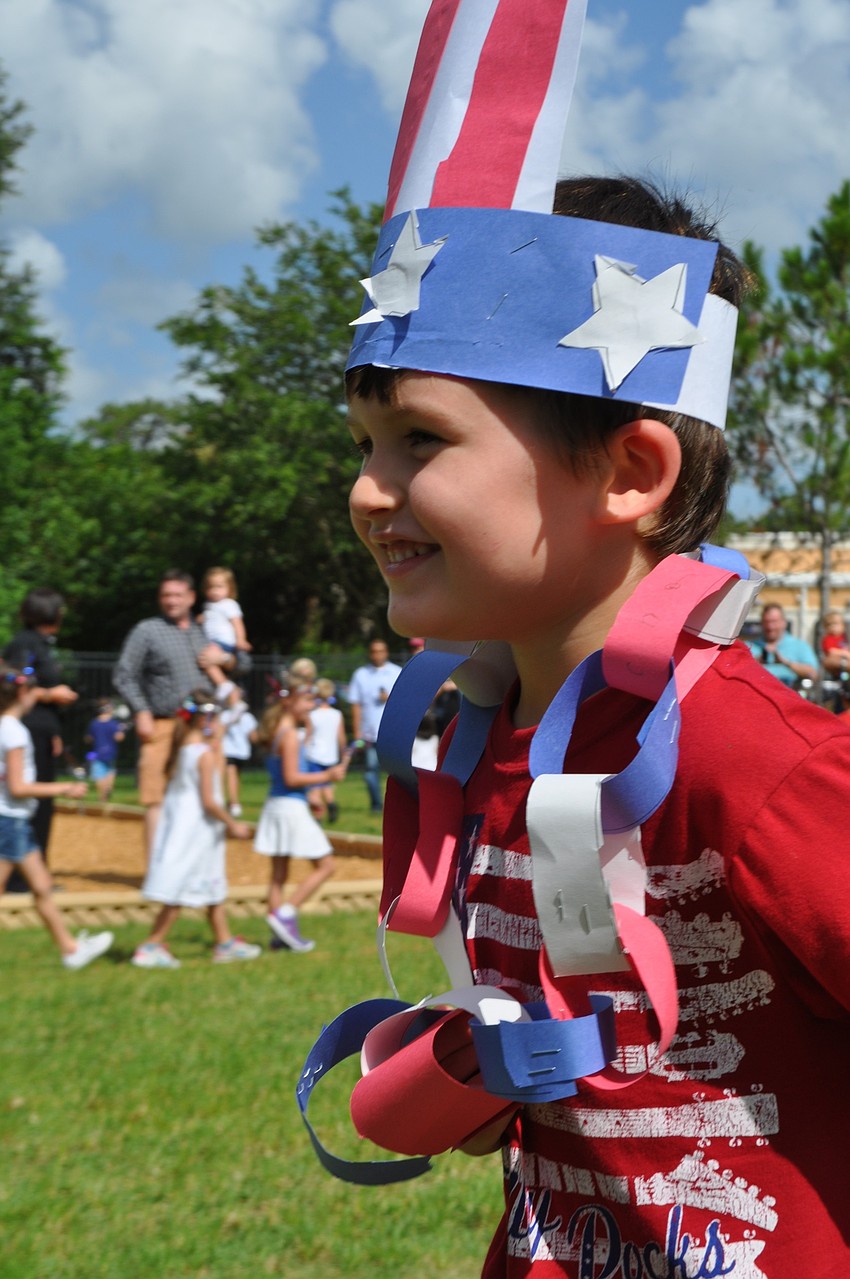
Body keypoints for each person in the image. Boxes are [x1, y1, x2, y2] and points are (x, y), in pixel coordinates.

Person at [318, 4, 850, 1268]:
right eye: (362, 447)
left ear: (630, 469)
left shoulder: (756, 765)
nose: (365, 491)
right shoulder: (486, 745)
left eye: (421, 442)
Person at [113, 569, 246, 861]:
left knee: (207, 794)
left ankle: (199, 865)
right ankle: (157, 870)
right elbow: (124, 675)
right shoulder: (147, 630)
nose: (171, 601)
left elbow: (244, 661)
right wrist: (142, 711)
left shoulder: (207, 629)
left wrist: (224, 658)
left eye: (177, 595)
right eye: (165, 595)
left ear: (191, 597)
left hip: (205, 728)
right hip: (161, 724)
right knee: (155, 797)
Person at [131, 691, 260, 969]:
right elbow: (209, 801)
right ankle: (151, 944)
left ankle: (224, 942)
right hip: (196, 830)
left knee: (210, 882)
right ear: (204, 719)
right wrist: (232, 823)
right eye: (214, 718)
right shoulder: (203, 755)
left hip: (191, 827)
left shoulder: (183, 750)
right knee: (180, 887)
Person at [0, 662, 113, 969]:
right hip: (9, 820)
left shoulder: (3, 727)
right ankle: (71, 949)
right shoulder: (15, 733)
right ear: (22, 692)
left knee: (41, 887)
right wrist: (63, 788)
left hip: (14, 821)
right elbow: (18, 786)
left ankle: (71, 950)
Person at [253, 675, 347, 952]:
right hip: (290, 808)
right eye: (307, 700)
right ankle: (286, 913)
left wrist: (311, 796)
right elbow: (292, 777)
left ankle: (278, 937)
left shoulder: (276, 732)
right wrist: (326, 775)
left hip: (276, 805)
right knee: (326, 865)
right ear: (289, 701)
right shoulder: (291, 736)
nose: (312, 706)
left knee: (278, 875)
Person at [2, 588, 78, 876]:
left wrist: (55, 731)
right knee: (33, 800)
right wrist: (51, 694)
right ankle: (23, 876)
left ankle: (34, 871)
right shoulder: (25, 643)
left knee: (40, 805)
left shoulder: (41, 643)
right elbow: (14, 684)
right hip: (28, 730)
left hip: (41, 729)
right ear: (49, 613)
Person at [345, 639, 401, 812]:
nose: (377, 655)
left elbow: (405, 701)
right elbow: (355, 704)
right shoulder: (361, 674)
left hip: (392, 732)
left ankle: (398, 806)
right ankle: (376, 805)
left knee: (397, 773)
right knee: (370, 771)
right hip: (369, 733)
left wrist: (389, 699)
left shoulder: (396, 672)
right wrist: (357, 732)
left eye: (380, 651)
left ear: (386, 652)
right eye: (374, 651)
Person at [198, 567, 251, 706]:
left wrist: (240, 639)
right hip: (213, 642)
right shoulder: (208, 606)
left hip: (223, 642)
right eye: (211, 587)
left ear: (230, 588)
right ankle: (226, 687)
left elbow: (237, 623)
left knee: (206, 660)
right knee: (208, 663)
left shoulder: (229, 604)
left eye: (219, 587)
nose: (215, 590)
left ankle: (224, 685)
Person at [746, 601, 819, 688]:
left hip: (790, 693)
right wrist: (754, 663)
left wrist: (786, 663)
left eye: (774, 622)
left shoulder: (800, 646)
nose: (770, 627)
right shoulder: (749, 647)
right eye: (767, 622)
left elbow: (813, 673)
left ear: (783, 623)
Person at [304, 677, 347, 823]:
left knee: (315, 788)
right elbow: (341, 737)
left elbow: (308, 735)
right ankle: (330, 803)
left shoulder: (312, 714)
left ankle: (318, 817)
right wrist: (344, 755)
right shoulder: (337, 714)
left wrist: (302, 750)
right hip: (331, 755)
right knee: (328, 785)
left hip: (314, 754)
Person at [221, 694, 258, 817]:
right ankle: (234, 802)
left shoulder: (246, 717)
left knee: (235, 777)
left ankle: (233, 802)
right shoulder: (225, 715)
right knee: (231, 774)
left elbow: (253, 736)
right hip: (229, 750)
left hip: (241, 751)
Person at [84, 699, 126, 804]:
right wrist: (122, 731)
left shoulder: (94, 723)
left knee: (99, 775)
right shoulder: (113, 723)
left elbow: (89, 738)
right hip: (111, 752)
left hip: (97, 753)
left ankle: (102, 796)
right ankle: (107, 790)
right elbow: (119, 737)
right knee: (110, 772)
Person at [819, 608, 850, 679]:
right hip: (837, 662)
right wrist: (845, 653)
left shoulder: (845, 637)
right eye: (829, 625)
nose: (833, 627)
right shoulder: (828, 638)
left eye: (836, 624)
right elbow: (831, 651)